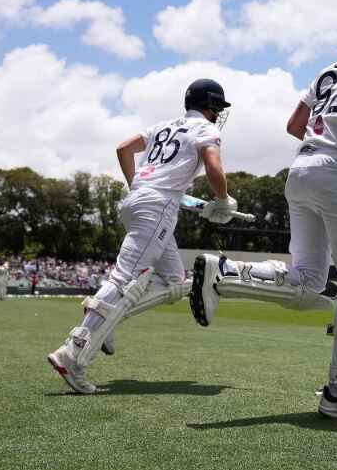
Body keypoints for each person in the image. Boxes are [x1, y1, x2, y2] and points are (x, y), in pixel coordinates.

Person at [190, 11, 337, 419]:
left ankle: (224, 273)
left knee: (308, 281)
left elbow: (295, 124)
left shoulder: (327, 69)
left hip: (301, 168)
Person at [47, 78, 242, 394]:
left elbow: (123, 148)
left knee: (175, 280)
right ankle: (73, 354)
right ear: (212, 106)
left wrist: (137, 183)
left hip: (139, 200)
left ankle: (103, 314)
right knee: (125, 279)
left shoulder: (163, 125)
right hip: (157, 207)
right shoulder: (206, 129)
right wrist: (222, 201)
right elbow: (214, 169)